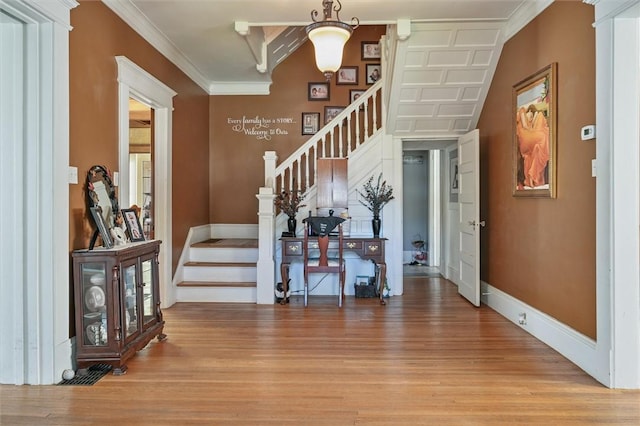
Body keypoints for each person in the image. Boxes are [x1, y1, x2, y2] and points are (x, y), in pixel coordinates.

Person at [516, 104, 550, 189]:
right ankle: (533, 175)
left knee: (537, 148)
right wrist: (535, 117)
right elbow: (525, 126)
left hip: (526, 143)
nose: (530, 119)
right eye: (530, 116)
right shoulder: (522, 110)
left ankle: (532, 177)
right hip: (525, 138)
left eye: (531, 118)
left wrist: (534, 118)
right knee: (544, 136)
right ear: (529, 111)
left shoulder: (530, 122)